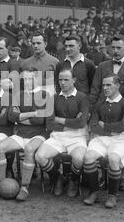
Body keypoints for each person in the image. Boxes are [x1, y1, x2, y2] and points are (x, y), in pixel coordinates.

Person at [0, 69, 50, 201]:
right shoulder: (19, 95)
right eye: (25, 80)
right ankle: (1, 185)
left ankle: (24, 187)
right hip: (21, 133)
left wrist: (21, 117)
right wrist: (31, 114)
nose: (28, 82)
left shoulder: (45, 95)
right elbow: (12, 117)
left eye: (31, 79)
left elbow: (40, 120)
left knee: (29, 149)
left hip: (38, 134)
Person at [35, 68, 89, 197]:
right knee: (40, 156)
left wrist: (59, 119)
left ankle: (73, 181)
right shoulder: (53, 98)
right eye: (60, 80)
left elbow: (81, 123)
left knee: (78, 158)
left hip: (77, 137)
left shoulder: (82, 97)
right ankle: (58, 178)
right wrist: (71, 123)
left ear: (74, 80)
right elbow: (49, 123)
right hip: (57, 136)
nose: (63, 83)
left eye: (66, 79)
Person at [83, 74, 124, 208]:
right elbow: (93, 126)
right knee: (88, 157)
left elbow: (123, 126)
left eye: (109, 85)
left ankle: (112, 196)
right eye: (103, 85)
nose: (105, 88)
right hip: (101, 139)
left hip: (120, 139)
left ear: (117, 85)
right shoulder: (100, 104)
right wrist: (110, 130)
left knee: (114, 158)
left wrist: (104, 125)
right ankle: (94, 192)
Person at [89, 35, 124, 108]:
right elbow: (95, 90)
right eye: (113, 48)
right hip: (102, 108)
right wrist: (91, 109)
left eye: (119, 48)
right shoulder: (102, 66)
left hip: (123, 110)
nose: (115, 51)